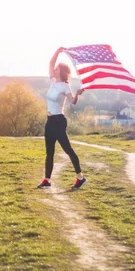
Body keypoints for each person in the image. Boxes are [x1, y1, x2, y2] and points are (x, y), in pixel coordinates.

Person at [37, 47, 86, 190]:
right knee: (49, 152)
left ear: (62, 72)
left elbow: (73, 102)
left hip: (59, 121)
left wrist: (77, 94)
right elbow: (51, 62)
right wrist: (58, 51)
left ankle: (81, 178)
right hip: (50, 121)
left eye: (57, 69)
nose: (54, 70)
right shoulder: (53, 81)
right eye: (55, 69)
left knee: (68, 150)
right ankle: (47, 180)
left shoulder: (65, 86)